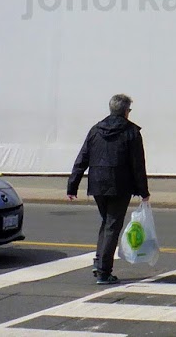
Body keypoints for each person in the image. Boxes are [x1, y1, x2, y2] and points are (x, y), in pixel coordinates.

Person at [66, 93, 150, 286]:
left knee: (107, 223)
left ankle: (99, 262)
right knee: (112, 225)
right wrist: (143, 191)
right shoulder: (131, 132)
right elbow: (138, 164)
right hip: (120, 185)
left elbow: (82, 158)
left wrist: (72, 185)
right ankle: (104, 271)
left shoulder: (96, 129)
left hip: (97, 183)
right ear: (126, 111)